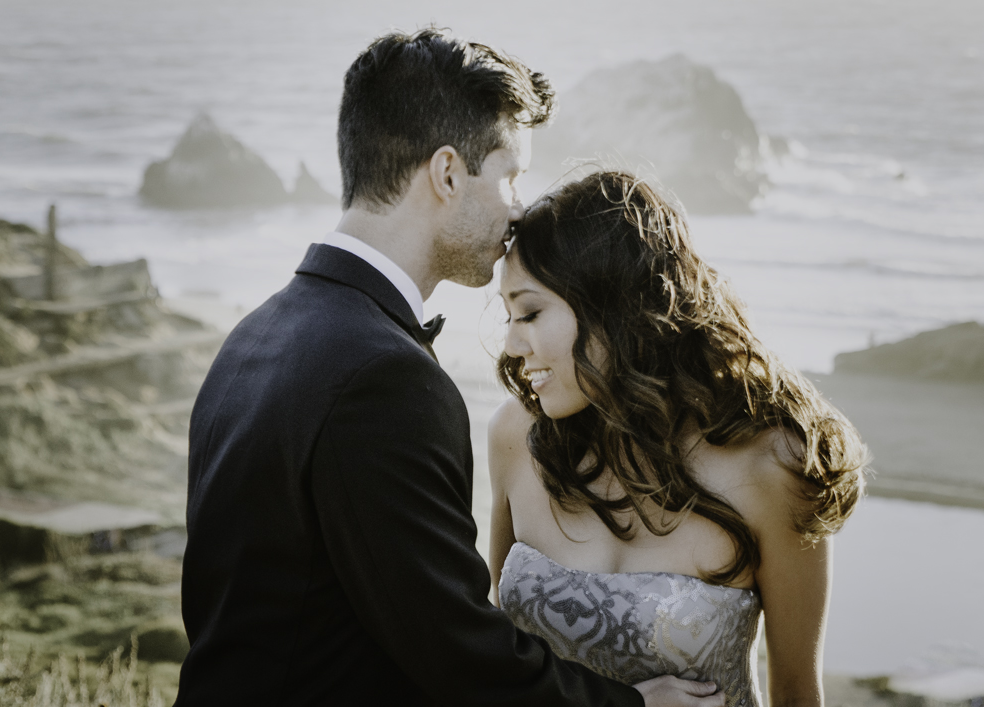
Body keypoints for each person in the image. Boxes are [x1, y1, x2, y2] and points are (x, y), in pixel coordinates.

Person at [175, 30, 725, 707]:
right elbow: (454, 649)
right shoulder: (384, 377)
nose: (520, 206)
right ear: (446, 174)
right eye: (510, 175)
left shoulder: (250, 338)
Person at [490, 170, 869, 707]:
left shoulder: (773, 466)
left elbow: (796, 694)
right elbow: (496, 668)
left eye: (529, 312)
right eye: (507, 315)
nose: (511, 344)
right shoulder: (515, 437)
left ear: (612, 306)